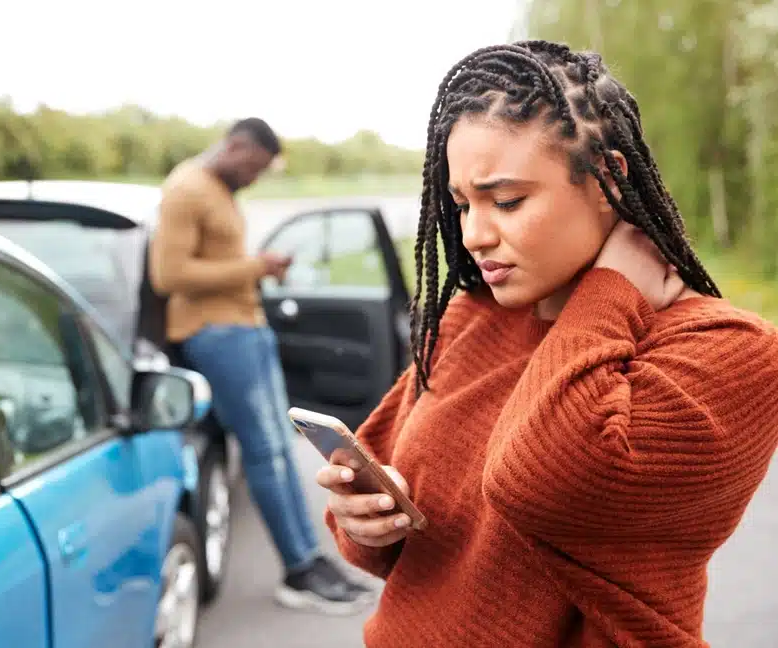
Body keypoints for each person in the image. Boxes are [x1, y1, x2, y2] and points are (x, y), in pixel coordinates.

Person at [316, 40, 778, 647]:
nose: (476, 235)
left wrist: (610, 292)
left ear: (607, 177)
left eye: (507, 201)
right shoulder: (470, 317)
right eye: (461, 205)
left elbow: (541, 483)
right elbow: (391, 530)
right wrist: (367, 524)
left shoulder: (730, 351)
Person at [150, 117, 373, 614]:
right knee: (266, 453)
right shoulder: (187, 189)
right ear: (234, 147)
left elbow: (210, 260)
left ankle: (312, 560)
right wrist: (257, 267)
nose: (253, 178)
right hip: (216, 334)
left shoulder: (216, 188)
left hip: (245, 329)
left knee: (279, 448)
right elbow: (169, 274)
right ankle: (298, 570)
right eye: (252, 167)